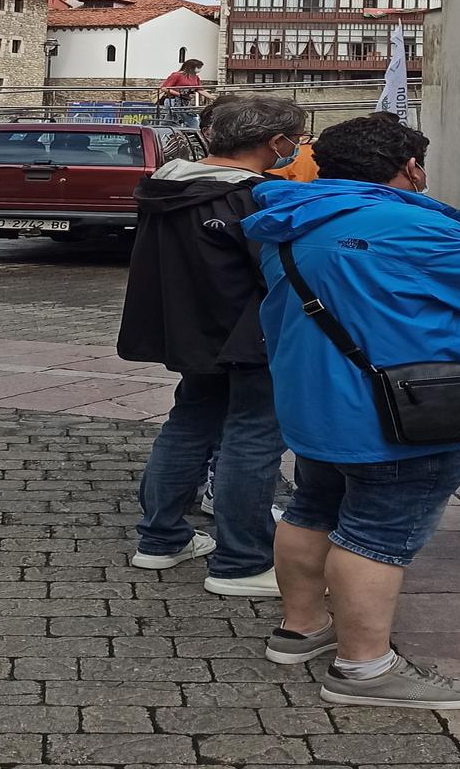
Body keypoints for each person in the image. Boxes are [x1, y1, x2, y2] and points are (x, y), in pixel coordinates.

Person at [243, 113, 460, 711]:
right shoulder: (410, 226)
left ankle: (301, 627)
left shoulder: (290, 219)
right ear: (410, 166)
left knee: (312, 506)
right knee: (378, 533)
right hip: (399, 411)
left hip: (316, 402)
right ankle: (365, 669)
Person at [117, 94, 309, 597]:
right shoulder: (258, 196)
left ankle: (160, 539)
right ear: (275, 143)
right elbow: (279, 272)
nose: (297, 148)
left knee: (189, 424)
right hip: (252, 331)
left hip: (188, 328)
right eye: (296, 139)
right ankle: (242, 562)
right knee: (253, 438)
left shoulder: (167, 185)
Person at [158, 58, 206, 124]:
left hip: (185, 101)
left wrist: (212, 97)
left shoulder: (195, 77)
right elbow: (164, 88)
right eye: (198, 67)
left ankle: (163, 127)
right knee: (187, 118)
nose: (199, 69)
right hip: (173, 100)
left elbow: (200, 89)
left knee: (172, 118)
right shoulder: (177, 75)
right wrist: (179, 94)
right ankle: (195, 129)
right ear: (191, 67)